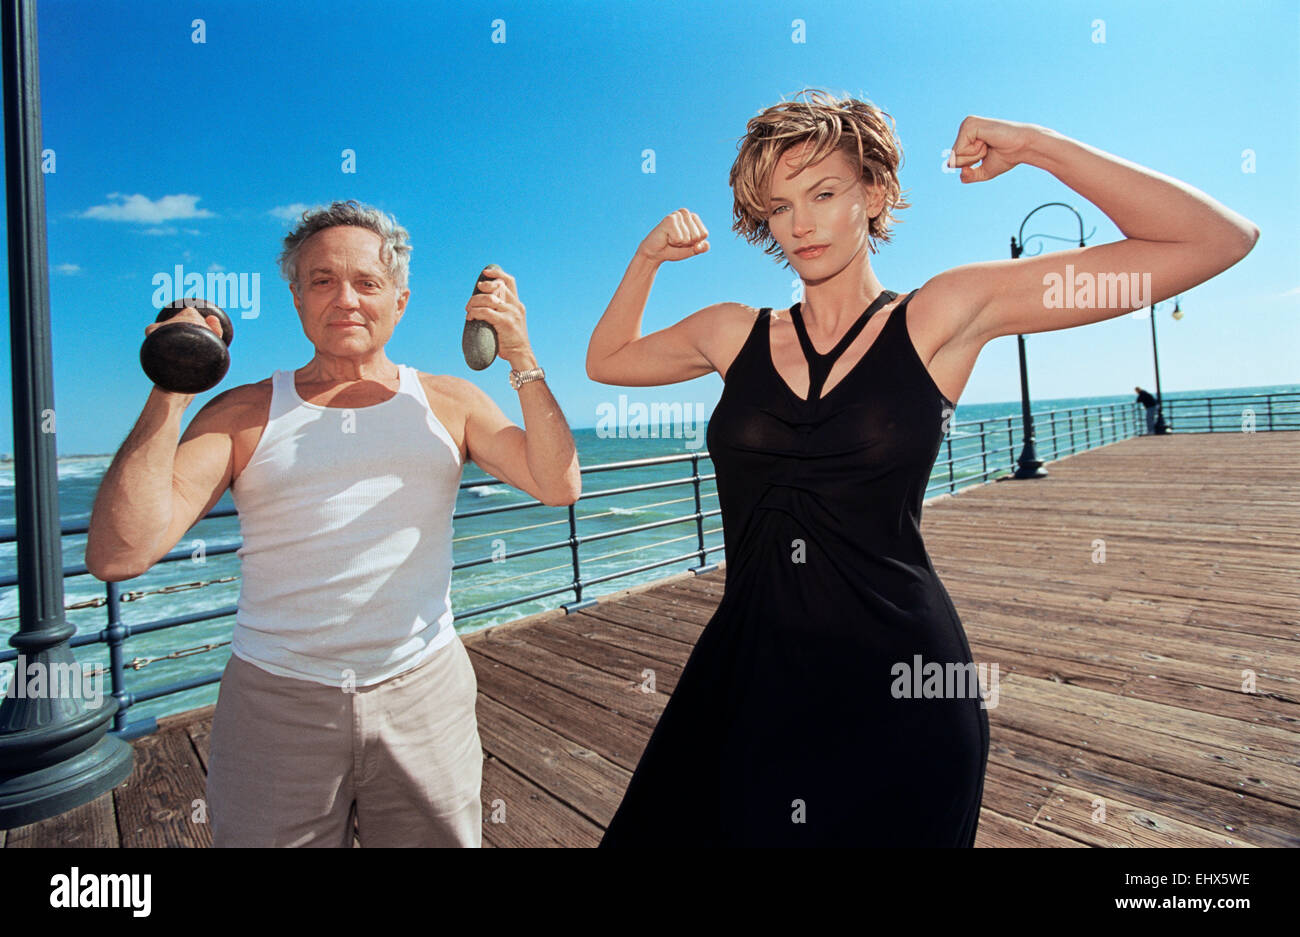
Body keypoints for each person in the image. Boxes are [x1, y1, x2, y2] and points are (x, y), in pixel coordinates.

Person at [586, 89, 1258, 846]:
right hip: (744, 676)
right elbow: (606, 358)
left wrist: (1037, 145)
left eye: (824, 192)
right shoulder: (730, 331)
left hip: (901, 692)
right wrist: (647, 256)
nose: (801, 223)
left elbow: (1213, 241)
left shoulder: (941, 314)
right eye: (779, 206)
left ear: (872, 193)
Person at [85, 200, 581, 847]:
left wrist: (521, 354)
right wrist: (175, 379)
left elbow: (558, 481)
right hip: (276, 705)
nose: (345, 298)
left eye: (367, 282)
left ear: (400, 301)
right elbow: (121, 551)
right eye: (322, 280)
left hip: (424, 693)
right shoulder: (243, 412)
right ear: (296, 298)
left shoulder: (450, 402)